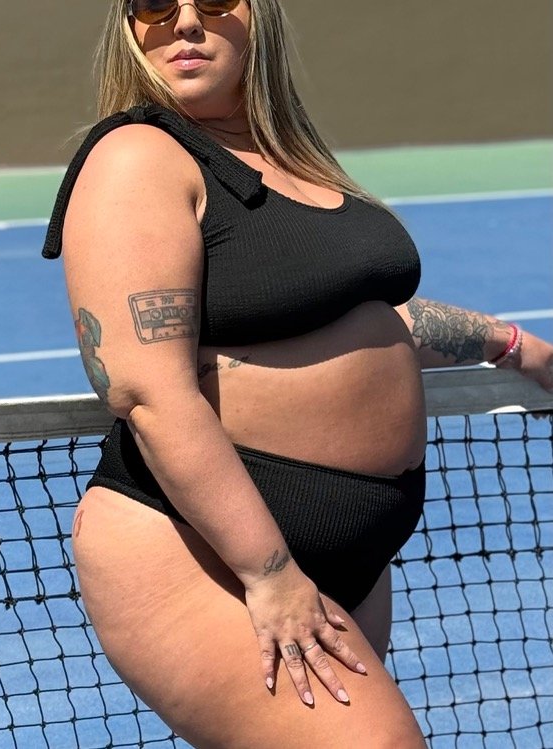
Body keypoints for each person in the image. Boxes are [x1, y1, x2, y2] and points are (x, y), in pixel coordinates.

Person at [42, 1, 553, 746]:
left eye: (214, 0)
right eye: (153, 4)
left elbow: (362, 317)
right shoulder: (137, 156)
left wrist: (513, 346)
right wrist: (270, 572)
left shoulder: (287, 158)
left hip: (350, 552)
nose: (184, 23)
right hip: (208, 550)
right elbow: (146, 390)